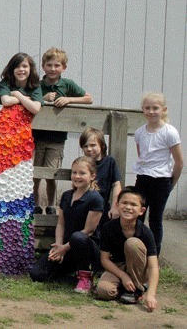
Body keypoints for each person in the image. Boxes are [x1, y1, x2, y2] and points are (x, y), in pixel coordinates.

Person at [29, 156, 103, 294]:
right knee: (37, 274)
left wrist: (64, 248)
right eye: (74, 172)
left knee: (78, 237)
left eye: (82, 173)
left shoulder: (95, 198)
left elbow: (88, 230)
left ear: (92, 176)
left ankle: (86, 275)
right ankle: (68, 270)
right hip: (65, 246)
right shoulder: (66, 195)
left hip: (86, 246)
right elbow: (61, 223)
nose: (77, 176)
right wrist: (58, 246)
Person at [33, 48, 93, 214]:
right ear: (43, 67)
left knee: (52, 174)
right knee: (34, 175)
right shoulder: (37, 85)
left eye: (57, 65)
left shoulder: (67, 85)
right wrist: (42, 99)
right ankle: (36, 205)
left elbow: (88, 98)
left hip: (57, 139)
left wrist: (69, 99)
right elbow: (30, 99)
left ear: (63, 67)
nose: (53, 69)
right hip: (36, 137)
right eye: (49, 65)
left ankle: (51, 205)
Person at [133, 92, 183, 255]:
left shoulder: (170, 132)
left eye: (155, 108)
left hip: (161, 180)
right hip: (143, 178)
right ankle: (136, 251)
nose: (151, 111)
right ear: (143, 110)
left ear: (163, 109)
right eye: (147, 108)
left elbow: (179, 162)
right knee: (137, 216)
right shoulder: (140, 132)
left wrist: (170, 184)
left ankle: (154, 255)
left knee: (155, 219)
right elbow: (142, 157)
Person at [96, 187, 159, 312]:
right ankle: (125, 285)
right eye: (124, 203)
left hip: (140, 267)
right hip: (118, 266)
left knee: (132, 243)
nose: (128, 207)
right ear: (117, 205)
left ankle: (136, 288)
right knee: (103, 291)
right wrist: (123, 276)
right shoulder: (108, 228)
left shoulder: (146, 233)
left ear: (142, 211)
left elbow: (153, 266)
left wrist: (151, 294)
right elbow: (105, 259)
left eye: (133, 204)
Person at [79, 127, 122, 230]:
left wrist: (115, 206)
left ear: (102, 145)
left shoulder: (109, 161)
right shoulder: (82, 163)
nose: (89, 149)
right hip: (84, 206)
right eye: (85, 146)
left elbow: (116, 185)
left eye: (93, 145)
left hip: (103, 207)